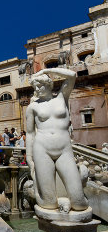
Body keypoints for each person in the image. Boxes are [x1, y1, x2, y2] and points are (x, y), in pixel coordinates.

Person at [26, 68, 88, 211]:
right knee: (49, 203)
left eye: (40, 85)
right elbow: (30, 133)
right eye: (35, 86)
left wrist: (46, 70)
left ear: (48, 84)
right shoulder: (32, 107)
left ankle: (68, 197)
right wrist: (29, 157)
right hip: (42, 149)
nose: (37, 89)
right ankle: (41, 191)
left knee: (79, 202)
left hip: (64, 150)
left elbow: (72, 75)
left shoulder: (61, 97)